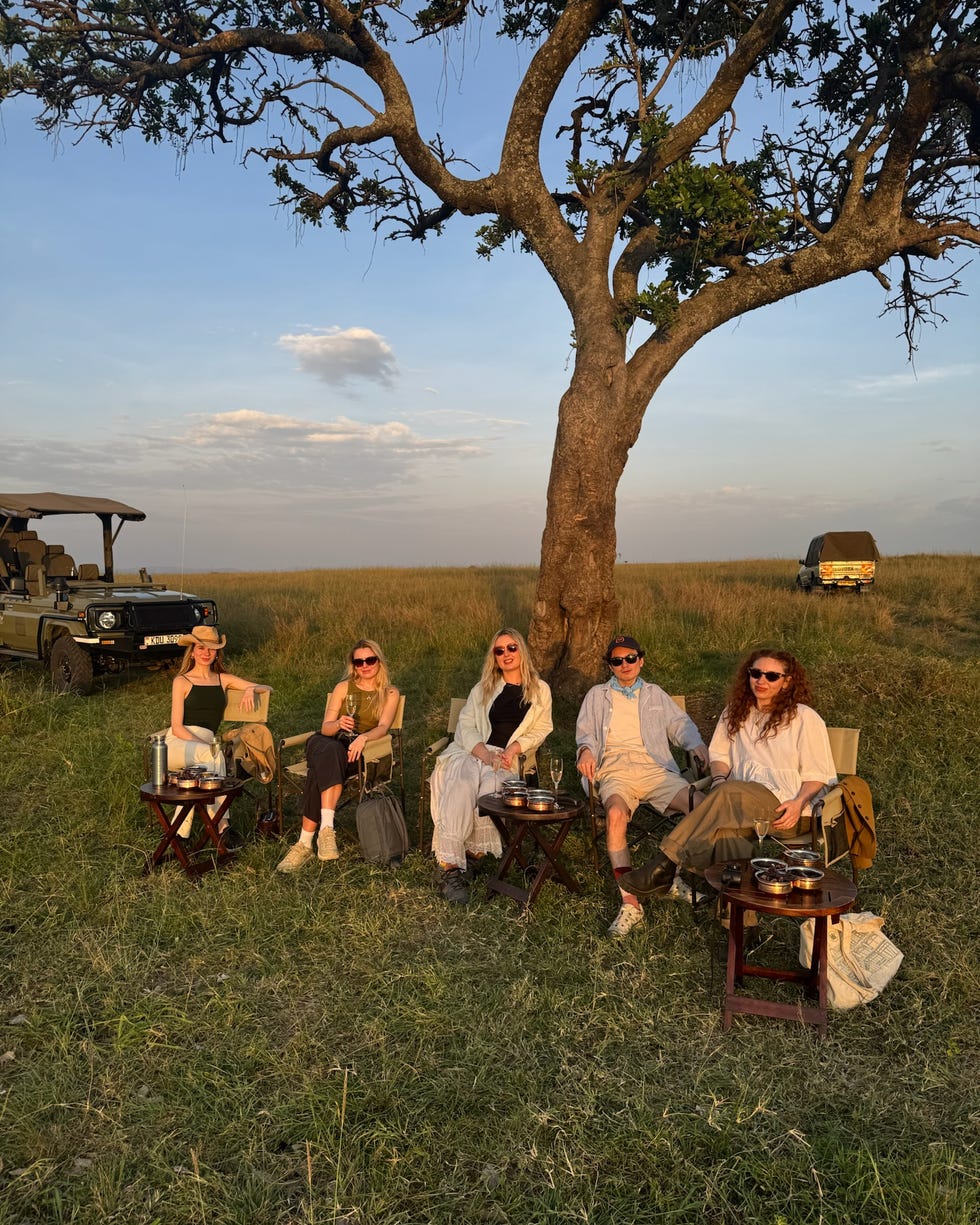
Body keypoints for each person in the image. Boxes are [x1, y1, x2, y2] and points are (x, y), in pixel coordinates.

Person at [618, 648, 837, 898]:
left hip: (787, 809)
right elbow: (720, 756)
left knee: (729, 791)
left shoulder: (803, 718)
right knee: (726, 837)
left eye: (771, 676)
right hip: (736, 806)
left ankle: (665, 864)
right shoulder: (736, 712)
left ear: (787, 682)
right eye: (756, 673)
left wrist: (799, 802)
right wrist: (719, 778)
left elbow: (818, 774)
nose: (761, 680)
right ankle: (741, 919)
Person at [575, 635, 709, 938]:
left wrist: (697, 744)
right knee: (615, 816)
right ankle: (630, 901)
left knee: (703, 807)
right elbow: (586, 736)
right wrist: (585, 751)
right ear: (610, 665)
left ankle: (670, 873)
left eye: (631, 658)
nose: (625, 665)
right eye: (617, 660)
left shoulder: (655, 694)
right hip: (614, 769)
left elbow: (680, 725)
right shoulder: (596, 695)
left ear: (641, 660)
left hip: (655, 770)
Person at [429, 628, 553, 904]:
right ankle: (449, 868)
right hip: (473, 752)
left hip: (507, 758)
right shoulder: (483, 688)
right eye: (500, 650)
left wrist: (514, 748)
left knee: (491, 793)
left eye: (512, 648)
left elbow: (542, 728)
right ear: (494, 657)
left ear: (521, 650)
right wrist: (484, 754)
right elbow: (466, 726)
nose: (507, 654)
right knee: (461, 787)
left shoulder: (540, 689)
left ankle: (472, 858)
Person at [277, 639, 400, 873]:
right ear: (353, 665)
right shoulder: (343, 688)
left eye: (370, 660)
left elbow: (383, 727)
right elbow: (325, 728)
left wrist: (363, 738)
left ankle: (303, 844)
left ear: (379, 661)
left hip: (357, 751)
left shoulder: (390, 692)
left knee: (320, 772)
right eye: (359, 661)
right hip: (327, 742)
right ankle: (326, 830)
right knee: (330, 751)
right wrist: (338, 723)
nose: (365, 665)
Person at [166, 624, 272, 846]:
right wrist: (205, 745)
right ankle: (222, 828)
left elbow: (267, 688)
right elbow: (177, 727)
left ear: (217, 653)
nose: (206, 653)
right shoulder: (182, 681)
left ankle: (179, 835)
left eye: (212, 649)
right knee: (213, 757)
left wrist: (251, 688)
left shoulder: (222, 679)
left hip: (205, 748)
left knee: (204, 766)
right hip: (179, 743)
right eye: (201, 648)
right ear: (192, 651)